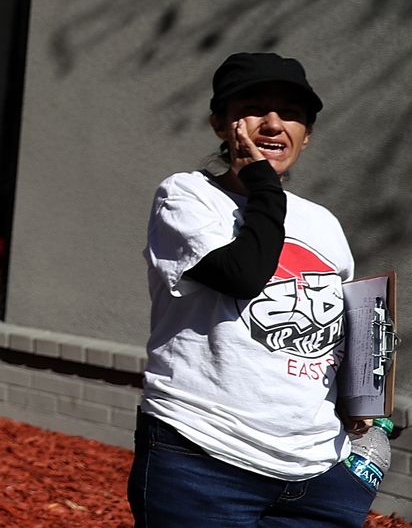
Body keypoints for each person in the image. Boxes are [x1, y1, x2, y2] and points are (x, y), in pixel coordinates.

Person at [130, 53, 373, 527]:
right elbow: (242, 274)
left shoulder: (323, 222)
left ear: (308, 134)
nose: (274, 123)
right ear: (221, 124)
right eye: (255, 107)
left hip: (318, 472)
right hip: (204, 458)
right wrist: (263, 183)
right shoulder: (187, 196)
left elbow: (344, 327)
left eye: (292, 113)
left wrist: (364, 411)